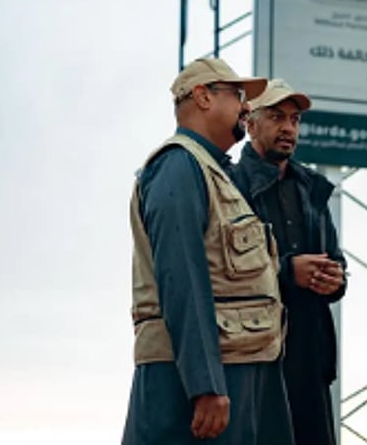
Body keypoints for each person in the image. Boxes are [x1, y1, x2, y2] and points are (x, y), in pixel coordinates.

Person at [122, 58, 295, 445]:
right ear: (202, 97)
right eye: (237, 95)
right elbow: (182, 280)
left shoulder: (215, 172)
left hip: (236, 371)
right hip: (198, 382)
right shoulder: (178, 166)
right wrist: (206, 385)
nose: (246, 107)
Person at [230, 79, 346, 445]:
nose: (288, 128)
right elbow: (221, 269)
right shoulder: (230, 185)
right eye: (277, 117)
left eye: (294, 120)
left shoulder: (313, 189)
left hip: (311, 357)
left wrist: (336, 280)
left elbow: (335, 260)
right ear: (250, 124)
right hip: (256, 358)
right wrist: (286, 272)